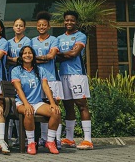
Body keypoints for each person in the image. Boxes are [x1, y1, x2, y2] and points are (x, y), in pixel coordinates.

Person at [10, 46, 61, 155]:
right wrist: (26, 104)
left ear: (33, 56)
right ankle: (31, 143)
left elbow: (46, 87)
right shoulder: (16, 70)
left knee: (55, 112)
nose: (27, 55)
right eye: (24, 53)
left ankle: (50, 142)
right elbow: (18, 89)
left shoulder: (40, 70)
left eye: (30, 53)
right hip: (21, 102)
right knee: (28, 112)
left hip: (37, 102)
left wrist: (52, 103)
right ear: (21, 56)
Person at [57, 10, 93, 150]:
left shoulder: (81, 36)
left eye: (72, 20)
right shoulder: (59, 38)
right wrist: (63, 54)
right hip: (63, 74)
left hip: (77, 75)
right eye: (67, 20)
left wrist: (61, 54)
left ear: (76, 22)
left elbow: (74, 53)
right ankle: (70, 139)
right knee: (68, 106)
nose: (69, 22)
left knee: (81, 104)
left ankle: (88, 140)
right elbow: (56, 56)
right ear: (64, 21)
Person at [31, 11, 62, 147]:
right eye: (39, 25)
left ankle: (57, 139)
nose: (41, 27)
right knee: (43, 107)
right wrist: (43, 58)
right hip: (39, 80)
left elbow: (51, 57)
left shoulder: (54, 40)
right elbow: (30, 59)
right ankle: (44, 138)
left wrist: (38, 58)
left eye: (44, 25)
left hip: (52, 78)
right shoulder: (32, 41)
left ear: (48, 26)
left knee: (55, 108)